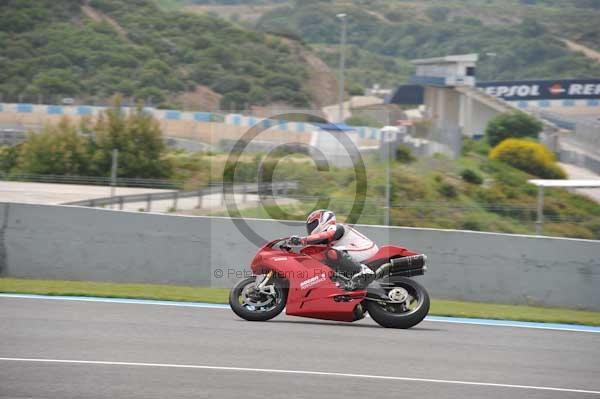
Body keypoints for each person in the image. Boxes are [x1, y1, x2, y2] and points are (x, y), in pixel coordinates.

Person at [288, 209, 377, 290]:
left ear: (324, 219)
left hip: (365, 248)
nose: (311, 228)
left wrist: (303, 239)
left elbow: (323, 236)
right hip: (354, 252)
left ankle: (364, 271)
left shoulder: (336, 227)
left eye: (313, 224)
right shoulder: (324, 239)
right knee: (322, 257)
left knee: (331, 252)